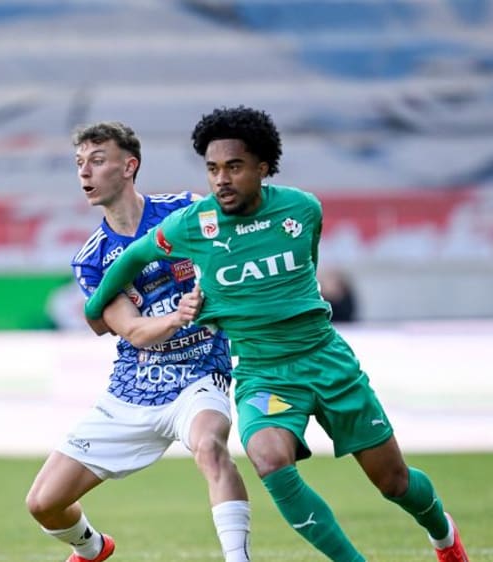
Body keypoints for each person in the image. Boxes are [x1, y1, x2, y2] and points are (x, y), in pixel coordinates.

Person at [83, 106, 470, 561]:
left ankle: (444, 535)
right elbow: (134, 256)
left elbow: (304, 265)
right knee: (268, 458)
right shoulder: (192, 224)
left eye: (234, 167)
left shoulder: (302, 209)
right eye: (212, 169)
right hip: (263, 373)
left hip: (327, 360)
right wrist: (95, 307)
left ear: (263, 167)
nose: (221, 179)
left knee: (394, 482)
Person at [25, 121, 252, 562]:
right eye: (79, 163)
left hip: (198, 373)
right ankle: (93, 549)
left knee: (210, 448)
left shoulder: (186, 211)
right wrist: (178, 315)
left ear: (129, 166)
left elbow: (236, 248)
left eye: (97, 160)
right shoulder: (91, 258)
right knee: (43, 503)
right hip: (133, 387)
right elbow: (131, 330)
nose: (84, 172)